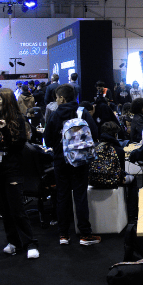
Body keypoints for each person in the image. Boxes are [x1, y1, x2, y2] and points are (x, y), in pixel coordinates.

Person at [0, 88, 39, 260]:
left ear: (6, 100)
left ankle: (31, 242)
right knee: (4, 209)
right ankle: (13, 242)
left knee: (17, 208)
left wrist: (5, 130)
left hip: (12, 167)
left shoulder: (18, 119)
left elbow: (18, 146)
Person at [43, 83, 102, 246]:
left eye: (57, 97)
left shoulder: (55, 115)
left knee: (62, 195)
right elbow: (95, 133)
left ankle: (63, 235)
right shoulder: (82, 112)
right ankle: (85, 234)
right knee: (80, 195)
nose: (56, 100)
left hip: (60, 160)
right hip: (80, 160)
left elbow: (47, 139)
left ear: (62, 98)